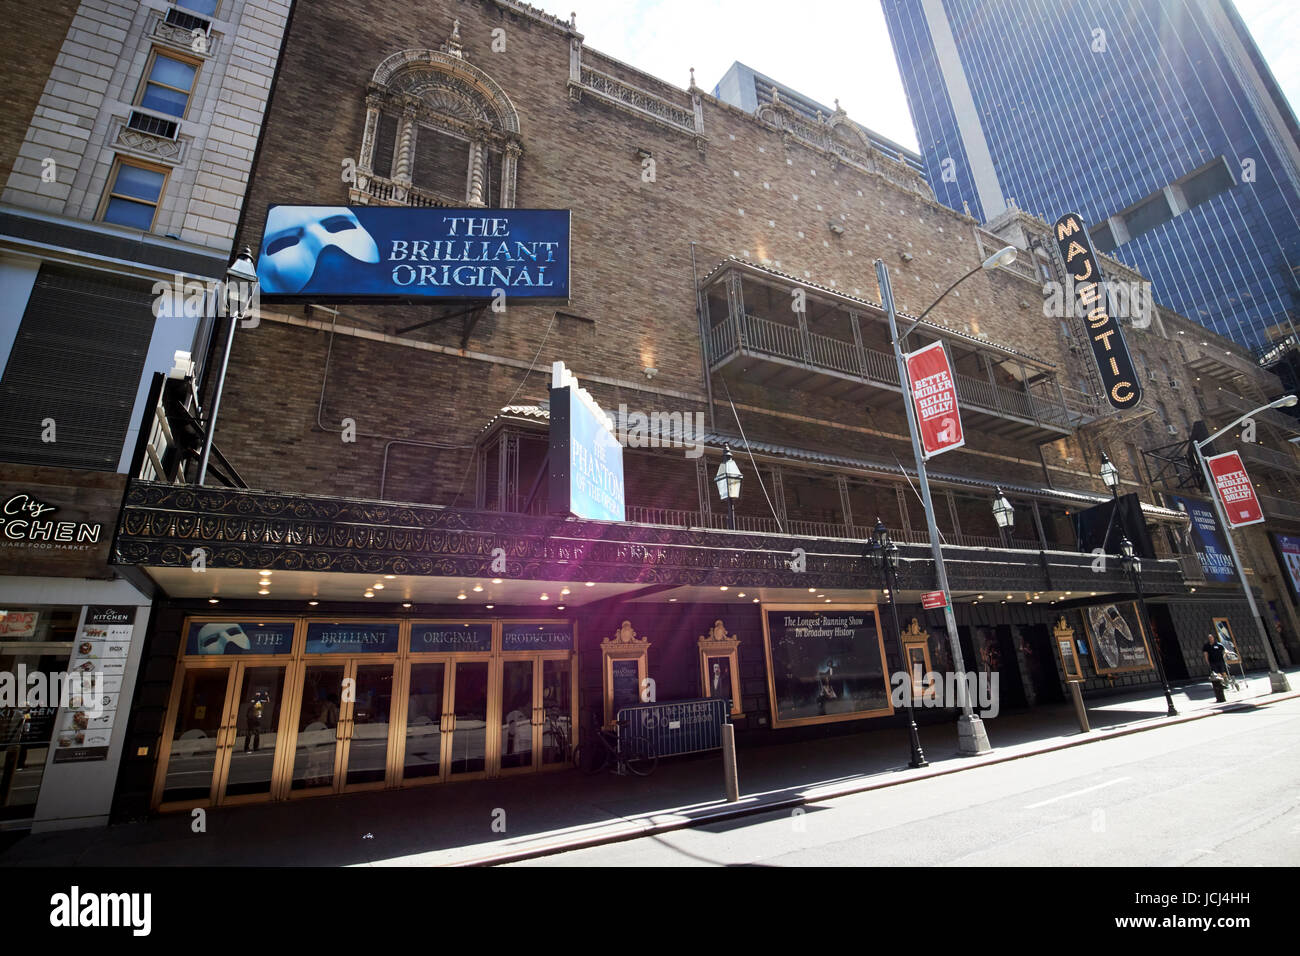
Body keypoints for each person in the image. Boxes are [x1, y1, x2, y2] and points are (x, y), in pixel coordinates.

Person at [1203, 631, 1229, 703]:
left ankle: (1225, 682)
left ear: (1213, 638)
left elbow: (1225, 651)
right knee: (1217, 673)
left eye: (1211, 637)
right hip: (1213, 662)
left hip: (1220, 661)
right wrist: (1207, 661)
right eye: (1209, 638)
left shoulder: (1218, 645)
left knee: (1223, 672)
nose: (1210, 638)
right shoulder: (1207, 646)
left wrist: (1224, 656)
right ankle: (1220, 684)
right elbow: (1205, 654)